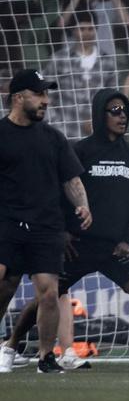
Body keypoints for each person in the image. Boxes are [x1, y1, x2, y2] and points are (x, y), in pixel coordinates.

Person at [2, 88, 129, 373]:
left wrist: (128, 238)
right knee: (46, 297)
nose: (121, 116)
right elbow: (62, 192)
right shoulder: (80, 150)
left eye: (124, 111)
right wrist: (62, 232)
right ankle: (10, 347)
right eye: (114, 110)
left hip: (115, 247)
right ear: (101, 115)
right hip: (78, 244)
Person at [0, 69, 92, 373]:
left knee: (50, 293)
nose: (46, 101)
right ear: (18, 98)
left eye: (46, 94)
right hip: (7, 223)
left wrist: (83, 205)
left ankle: (45, 357)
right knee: (4, 284)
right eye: (39, 94)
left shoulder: (53, 138)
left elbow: (71, 179)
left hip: (46, 225)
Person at [43, 10, 118, 139]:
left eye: (91, 29)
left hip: (97, 135)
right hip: (64, 134)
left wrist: (101, 122)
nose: (87, 33)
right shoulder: (59, 59)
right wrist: (57, 127)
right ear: (73, 30)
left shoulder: (107, 61)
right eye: (82, 29)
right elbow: (46, 96)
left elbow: (113, 100)